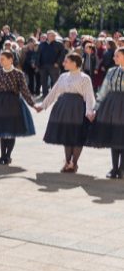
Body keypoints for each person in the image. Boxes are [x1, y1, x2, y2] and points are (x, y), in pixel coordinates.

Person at [38, 51, 95, 173]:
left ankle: (74, 163)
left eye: (66, 61)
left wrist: (89, 111)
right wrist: (43, 106)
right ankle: (68, 162)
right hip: (64, 108)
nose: (64, 63)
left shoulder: (85, 78)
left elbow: (89, 96)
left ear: (74, 63)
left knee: (77, 136)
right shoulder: (63, 76)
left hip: (78, 109)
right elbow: (54, 92)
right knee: (66, 135)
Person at [88, 47, 124, 179]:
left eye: (117, 56)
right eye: (114, 56)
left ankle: (121, 169)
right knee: (114, 136)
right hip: (112, 106)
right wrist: (96, 108)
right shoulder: (111, 71)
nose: (114, 58)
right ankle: (115, 168)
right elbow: (103, 90)